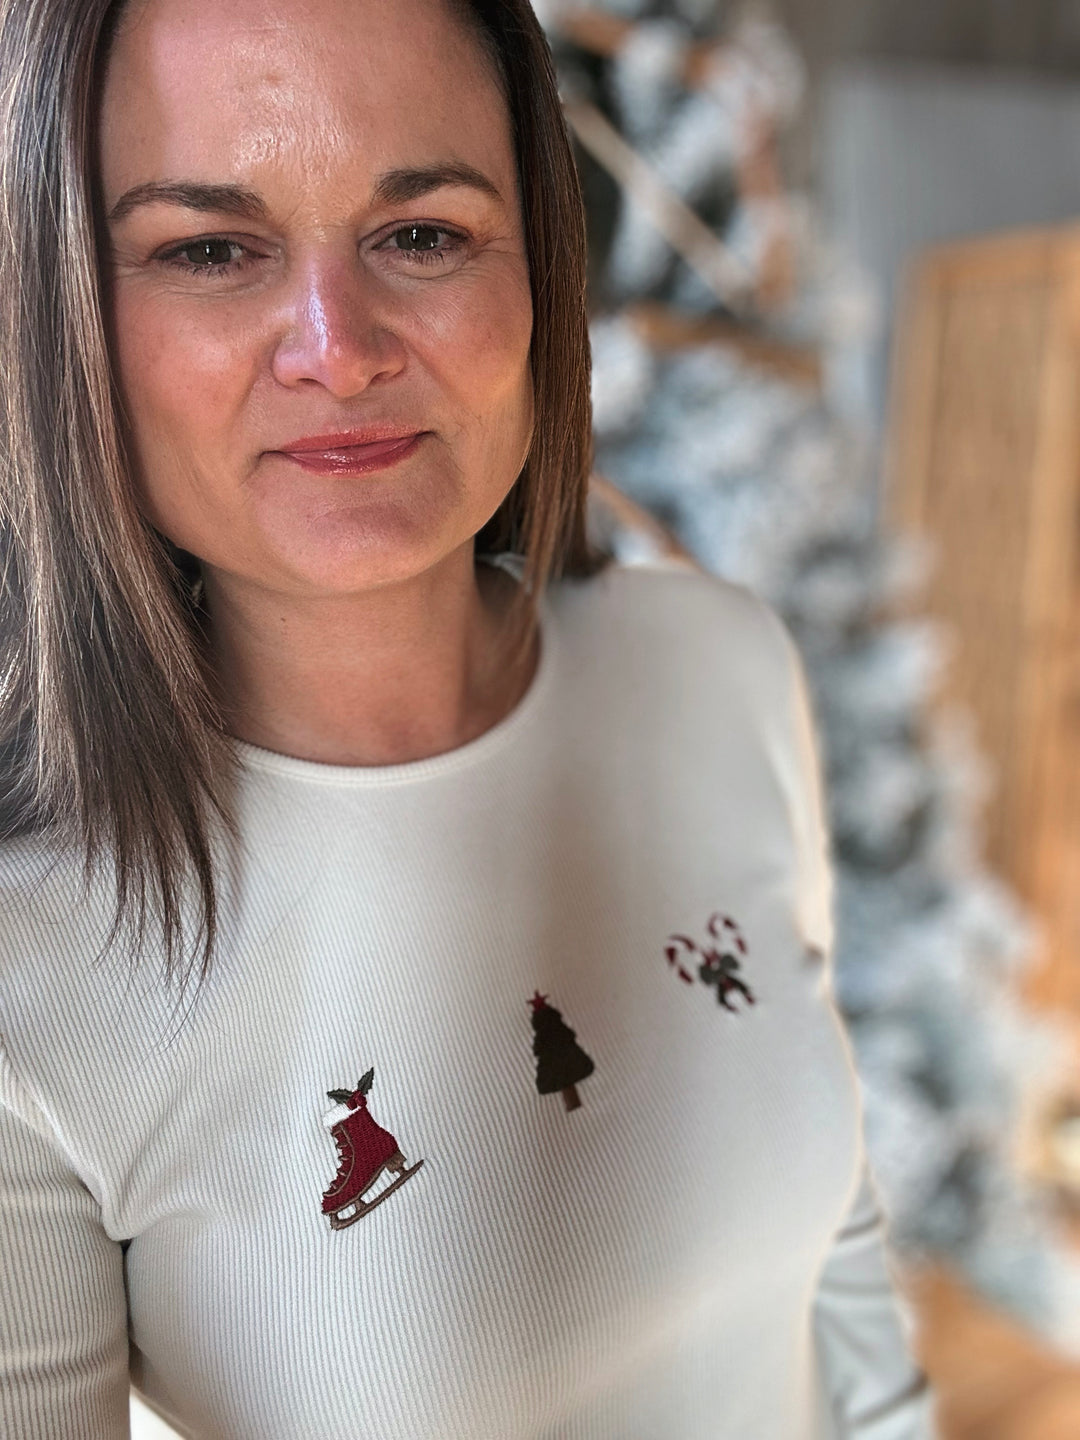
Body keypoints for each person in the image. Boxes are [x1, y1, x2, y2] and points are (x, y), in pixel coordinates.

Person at [0, 0, 938, 1436]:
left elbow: (839, 1247)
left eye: (421, 233)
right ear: (69, 320)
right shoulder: (32, 969)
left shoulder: (715, 666)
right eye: (209, 249)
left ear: (537, 273)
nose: (339, 346)